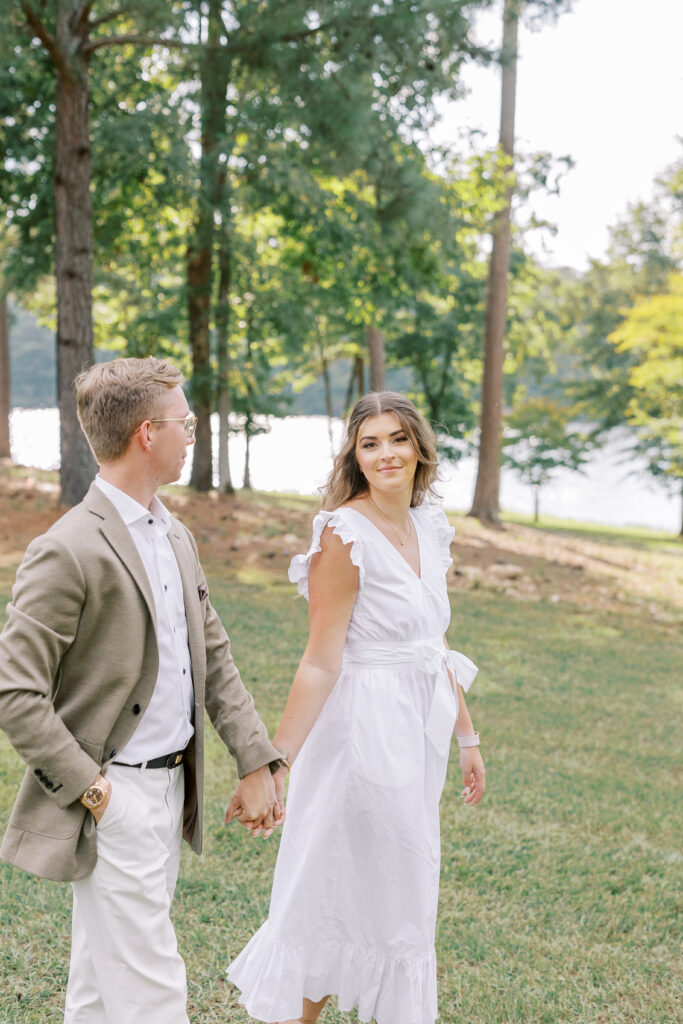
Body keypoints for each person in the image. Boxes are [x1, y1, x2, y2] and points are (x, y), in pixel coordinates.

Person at [0, 356, 286, 1024]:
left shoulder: (176, 536)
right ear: (147, 435)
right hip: (114, 796)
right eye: (184, 423)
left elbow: (212, 656)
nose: (192, 433)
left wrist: (255, 758)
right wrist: (97, 794)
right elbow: (15, 691)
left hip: (172, 791)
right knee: (155, 996)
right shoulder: (67, 548)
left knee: (101, 995)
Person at [227, 391, 486, 1024]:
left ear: (419, 447)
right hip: (358, 737)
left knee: (398, 896)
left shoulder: (428, 523)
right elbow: (319, 660)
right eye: (370, 443)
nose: (387, 453)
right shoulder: (343, 534)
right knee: (329, 891)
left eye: (398, 438)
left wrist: (467, 736)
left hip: (414, 734)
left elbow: (432, 642)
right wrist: (274, 761)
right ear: (355, 457)